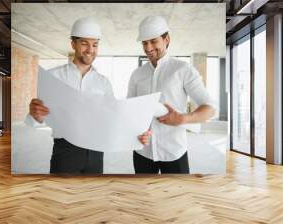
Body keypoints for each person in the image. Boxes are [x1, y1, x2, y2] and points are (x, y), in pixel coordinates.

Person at [27, 17, 151, 174]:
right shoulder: (53, 77)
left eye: (95, 45)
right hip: (65, 151)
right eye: (84, 43)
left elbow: (113, 119)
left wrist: (137, 134)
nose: (90, 49)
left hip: (96, 152)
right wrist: (35, 116)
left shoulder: (103, 83)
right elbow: (39, 118)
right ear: (73, 44)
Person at [128, 16, 216, 174]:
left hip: (174, 152)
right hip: (143, 152)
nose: (148, 48)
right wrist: (135, 131)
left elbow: (210, 108)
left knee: (178, 197)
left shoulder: (183, 70)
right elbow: (130, 111)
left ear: (166, 39)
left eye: (153, 41)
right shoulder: (137, 75)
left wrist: (183, 119)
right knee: (144, 198)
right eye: (144, 43)